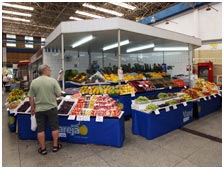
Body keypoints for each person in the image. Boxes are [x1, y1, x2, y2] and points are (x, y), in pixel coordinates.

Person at [28, 64, 62, 155]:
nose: (50, 71)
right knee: (54, 127)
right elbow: (59, 94)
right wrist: (52, 94)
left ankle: (43, 149)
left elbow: (31, 97)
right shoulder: (52, 81)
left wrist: (32, 108)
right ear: (45, 70)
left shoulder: (34, 82)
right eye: (49, 70)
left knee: (40, 129)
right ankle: (55, 146)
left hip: (39, 109)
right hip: (51, 108)